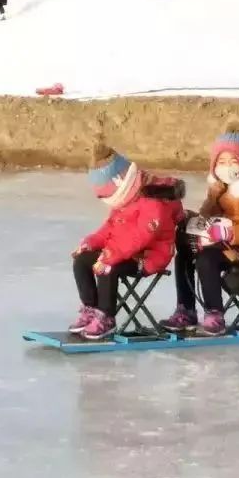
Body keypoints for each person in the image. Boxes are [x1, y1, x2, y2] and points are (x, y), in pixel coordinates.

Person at [163, 120, 239, 337]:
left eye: (233, 161)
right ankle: (186, 310)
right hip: (221, 243)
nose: (227, 167)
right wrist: (201, 210)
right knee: (184, 255)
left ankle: (214, 313)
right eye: (222, 161)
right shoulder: (219, 187)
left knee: (206, 258)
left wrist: (230, 232)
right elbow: (207, 217)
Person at [70, 143, 185, 340]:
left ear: (120, 181)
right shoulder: (124, 200)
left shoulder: (152, 200)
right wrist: (90, 243)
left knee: (108, 267)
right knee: (82, 260)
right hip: (122, 252)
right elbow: (109, 229)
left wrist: (110, 255)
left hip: (148, 257)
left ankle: (106, 317)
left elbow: (141, 236)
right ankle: (90, 308)